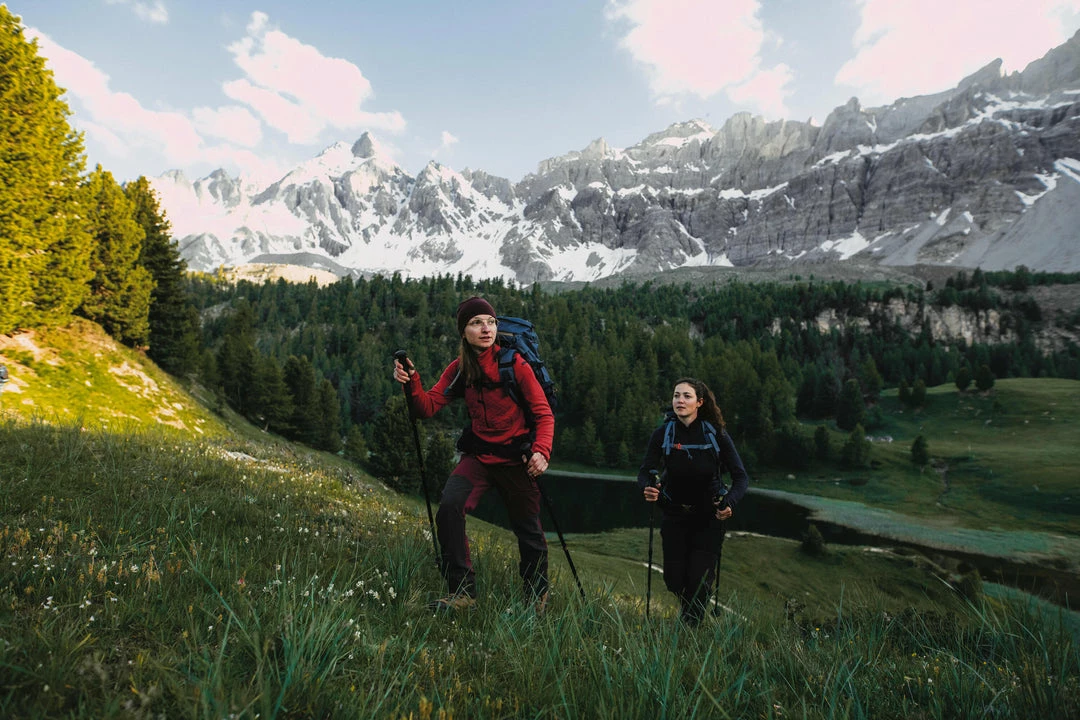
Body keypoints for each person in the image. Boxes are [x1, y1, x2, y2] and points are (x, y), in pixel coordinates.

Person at [393, 296, 554, 613]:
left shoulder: (515, 365)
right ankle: (462, 593)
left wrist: (541, 451)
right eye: (476, 323)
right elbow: (426, 407)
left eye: (491, 322)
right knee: (449, 508)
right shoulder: (459, 369)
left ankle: (535, 601)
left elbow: (544, 414)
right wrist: (412, 382)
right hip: (479, 457)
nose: (486, 329)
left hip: (517, 459)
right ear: (463, 332)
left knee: (529, 531)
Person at [637, 377, 749, 625]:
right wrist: (647, 487)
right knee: (674, 580)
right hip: (674, 515)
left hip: (708, 517)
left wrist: (729, 503)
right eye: (676, 395)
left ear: (699, 402)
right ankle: (690, 617)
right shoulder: (663, 433)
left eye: (687, 396)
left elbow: (741, 477)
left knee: (699, 580)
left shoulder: (716, 434)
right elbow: (645, 472)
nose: (680, 400)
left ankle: (690, 629)